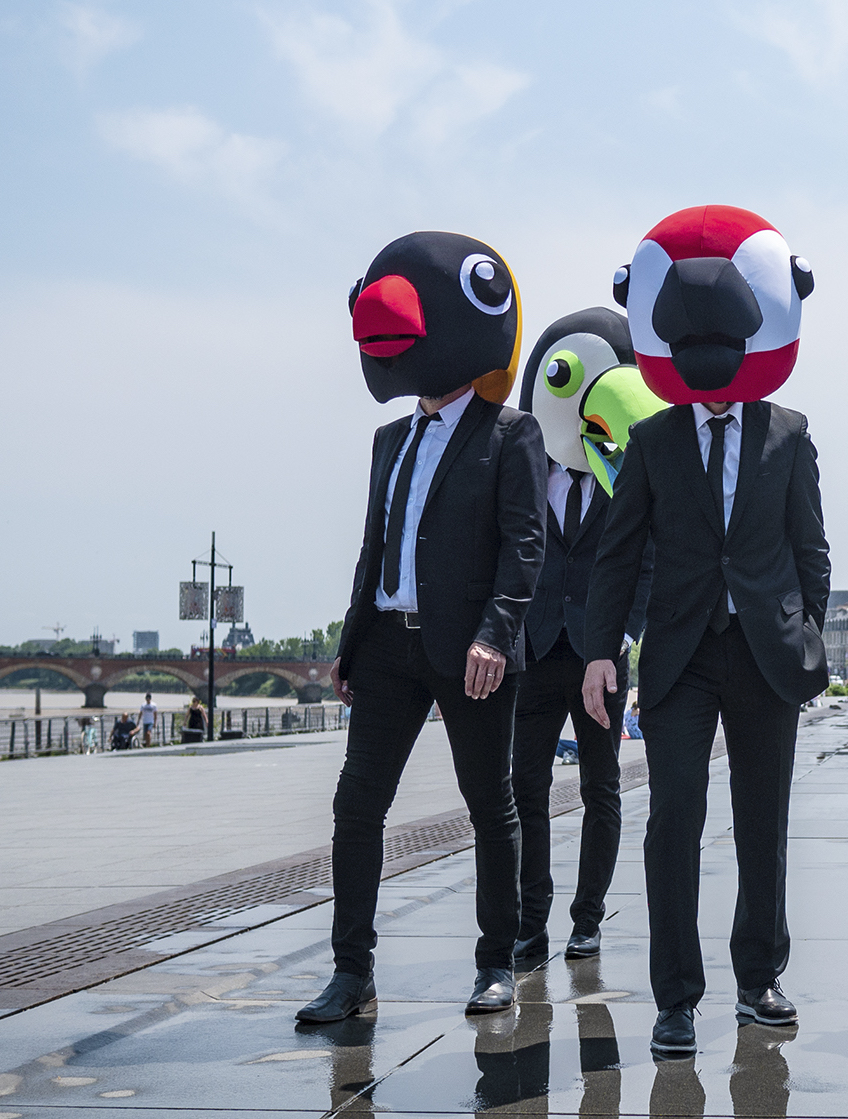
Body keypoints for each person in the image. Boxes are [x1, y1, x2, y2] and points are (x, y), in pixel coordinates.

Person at [580, 199, 827, 1059]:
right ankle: (676, 998)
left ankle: (759, 980)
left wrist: (806, 636)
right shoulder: (650, 441)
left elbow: (811, 551)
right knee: (672, 821)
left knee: (764, 822)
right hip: (679, 659)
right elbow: (617, 557)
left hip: (765, 656)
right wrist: (601, 654)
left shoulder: (788, 435)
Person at [298, 231, 544, 1025]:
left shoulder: (511, 433)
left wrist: (496, 636)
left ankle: (495, 962)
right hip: (387, 647)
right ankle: (351, 972)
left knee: (489, 802)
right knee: (355, 804)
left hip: (470, 650)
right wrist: (350, 640)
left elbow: (525, 545)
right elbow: (376, 545)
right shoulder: (389, 440)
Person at [508, 307, 663, 969]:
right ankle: (528, 919)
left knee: (602, 788)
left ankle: (587, 919)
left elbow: (646, 561)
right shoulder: (523, 467)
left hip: (600, 653)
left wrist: (624, 635)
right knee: (526, 789)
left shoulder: (627, 470)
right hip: (535, 648)